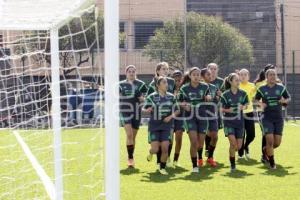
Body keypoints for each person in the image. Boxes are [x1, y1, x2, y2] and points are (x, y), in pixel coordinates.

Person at [254, 69, 290, 169]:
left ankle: (265, 150)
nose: (273, 76)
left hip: (278, 118)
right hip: (266, 118)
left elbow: (288, 98)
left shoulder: (281, 87)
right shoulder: (262, 88)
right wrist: (261, 103)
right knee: (270, 141)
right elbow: (255, 100)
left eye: (274, 74)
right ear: (267, 76)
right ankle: (272, 162)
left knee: (276, 143)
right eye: (271, 75)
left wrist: (284, 100)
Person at [178, 67, 211, 173]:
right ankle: (194, 165)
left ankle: (199, 156)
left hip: (202, 116)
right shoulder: (184, 88)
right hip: (189, 117)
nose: (196, 76)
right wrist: (184, 105)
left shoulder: (205, 86)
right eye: (194, 74)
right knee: (194, 142)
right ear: (190, 76)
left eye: (198, 74)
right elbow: (179, 101)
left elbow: (208, 96)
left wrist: (209, 97)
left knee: (200, 144)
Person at [144, 76, 180, 175]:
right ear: (158, 85)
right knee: (155, 149)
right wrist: (147, 110)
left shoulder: (171, 97)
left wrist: (170, 117)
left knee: (165, 148)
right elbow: (144, 109)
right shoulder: (152, 96)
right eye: (164, 83)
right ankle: (151, 153)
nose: (166, 84)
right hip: (154, 125)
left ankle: (162, 168)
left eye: (167, 83)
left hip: (166, 126)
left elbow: (177, 110)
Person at [146, 62, 176, 168]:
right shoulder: (152, 86)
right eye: (163, 69)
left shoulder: (171, 81)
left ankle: (166, 159)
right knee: (157, 144)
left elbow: (174, 95)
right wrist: (149, 109)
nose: (165, 71)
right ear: (158, 71)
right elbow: (147, 101)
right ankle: (159, 161)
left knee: (168, 140)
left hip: (169, 116)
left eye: (167, 69)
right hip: (156, 119)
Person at [119, 65, 148, 167]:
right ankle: (130, 159)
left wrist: (141, 97)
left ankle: (131, 155)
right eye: (129, 71)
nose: (131, 73)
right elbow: (115, 96)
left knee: (133, 137)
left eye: (133, 71)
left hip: (136, 112)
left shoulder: (141, 84)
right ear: (126, 73)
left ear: (135, 73)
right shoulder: (121, 85)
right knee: (129, 135)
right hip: (124, 111)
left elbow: (145, 99)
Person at [220, 73, 249, 172]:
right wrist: (229, 110)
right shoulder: (225, 94)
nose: (238, 82)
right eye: (236, 80)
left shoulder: (243, 93)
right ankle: (232, 165)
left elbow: (247, 104)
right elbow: (220, 108)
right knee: (233, 144)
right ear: (231, 82)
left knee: (239, 147)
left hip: (240, 122)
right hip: (228, 122)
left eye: (239, 80)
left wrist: (243, 107)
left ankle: (232, 156)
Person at [254, 64, 277, 163]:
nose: (274, 75)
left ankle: (267, 152)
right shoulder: (259, 84)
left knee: (275, 135)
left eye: (274, 72)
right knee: (266, 133)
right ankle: (264, 156)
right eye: (272, 72)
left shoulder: (278, 83)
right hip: (263, 113)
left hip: (276, 113)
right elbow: (256, 98)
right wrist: (260, 105)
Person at [201, 68, 219, 167]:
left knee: (215, 137)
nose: (210, 75)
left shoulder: (214, 87)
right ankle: (199, 158)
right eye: (208, 74)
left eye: (211, 74)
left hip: (212, 114)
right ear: (202, 76)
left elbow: (216, 101)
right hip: (201, 114)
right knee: (201, 138)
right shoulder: (199, 87)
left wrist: (218, 98)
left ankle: (210, 158)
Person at [238, 69, 257, 159]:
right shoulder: (236, 85)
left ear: (248, 76)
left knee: (251, 135)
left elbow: (255, 98)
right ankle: (241, 153)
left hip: (249, 112)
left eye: (245, 74)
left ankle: (246, 146)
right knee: (241, 134)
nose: (243, 76)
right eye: (241, 74)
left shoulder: (252, 86)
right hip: (239, 113)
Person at [206, 63, 224, 156]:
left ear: (217, 70)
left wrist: (221, 96)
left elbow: (225, 95)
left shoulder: (221, 81)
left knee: (213, 132)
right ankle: (207, 150)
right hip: (204, 111)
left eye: (215, 69)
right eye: (211, 68)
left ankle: (209, 151)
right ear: (207, 69)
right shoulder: (204, 81)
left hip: (216, 110)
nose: (213, 70)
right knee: (207, 130)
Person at [171, 70, 185, 166]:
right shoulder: (168, 89)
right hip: (170, 117)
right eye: (175, 78)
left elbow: (186, 103)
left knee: (179, 139)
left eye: (179, 78)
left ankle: (176, 160)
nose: (177, 80)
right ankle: (167, 158)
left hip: (181, 117)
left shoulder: (185, 90)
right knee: (169, 139)